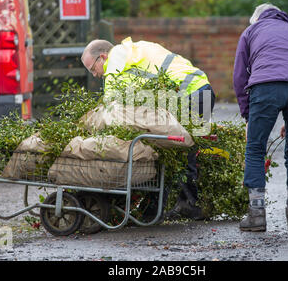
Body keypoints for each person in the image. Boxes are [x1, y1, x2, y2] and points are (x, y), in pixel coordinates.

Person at [81, 37, 216, 220]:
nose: (95, 75)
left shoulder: (117, 56)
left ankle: (180, 206)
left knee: (178, 150)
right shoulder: (136, 49)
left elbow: (111, 103)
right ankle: (166, 206)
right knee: (177, 150)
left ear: (103, 57)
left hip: (189, 94)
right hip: (200, 90)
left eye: (92, 69)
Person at [233, 3, 288, 232]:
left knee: (254, 149)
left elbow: (239, 76)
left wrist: (247, 116)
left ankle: (256, 216)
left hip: (266, 87)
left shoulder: (251, 31)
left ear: (256, 19)